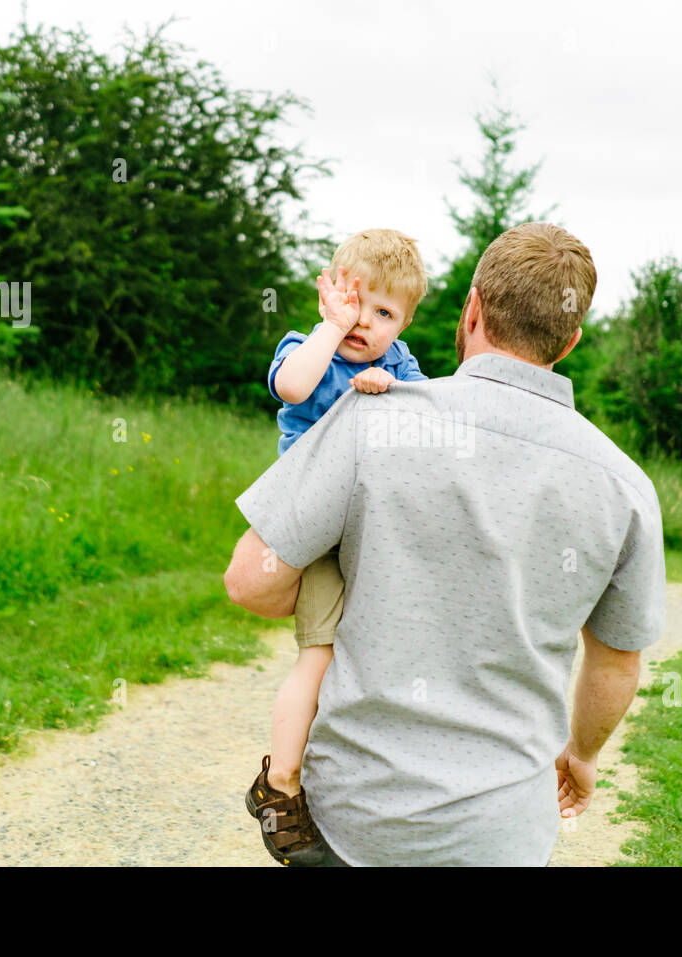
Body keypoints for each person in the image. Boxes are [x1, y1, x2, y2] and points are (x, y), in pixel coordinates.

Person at [225, 222, 665, 866]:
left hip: (357, 817)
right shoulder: (626, 486)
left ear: (473, 309)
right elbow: (617, 662)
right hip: (504, 831)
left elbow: (251, 582)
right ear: (568, 342)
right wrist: (582, 756)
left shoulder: (373, 415)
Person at [242, 228, 429, 865]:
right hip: (315, 529)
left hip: (373, 530)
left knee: (375, 656)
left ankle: (359, 784)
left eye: (384, 314)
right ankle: (281, 781)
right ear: (330, 293)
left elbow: (431, 417)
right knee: (318, 656)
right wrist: (330, 329)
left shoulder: (400, 364)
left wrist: (394, 389)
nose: (364, 323)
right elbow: (292, 387)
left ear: (403, 324)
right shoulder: (305, 346)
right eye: (355, 302)